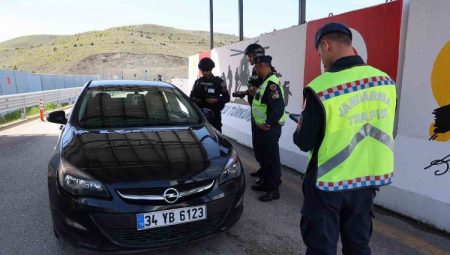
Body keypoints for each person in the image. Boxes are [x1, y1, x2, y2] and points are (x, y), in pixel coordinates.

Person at [293, 22, 397, 255]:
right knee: (359, 245)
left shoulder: (320, 87)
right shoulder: (385, 81)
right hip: (367, 181)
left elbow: (304, 141)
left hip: (328, 182)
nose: (321, 58)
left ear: (326, 45)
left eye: (320, 52)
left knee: (321, 247)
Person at [250, 55, 286, 202]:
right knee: (265, 157)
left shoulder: (272, 84)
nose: (256, 70)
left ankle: (273, 190)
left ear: (263, 66)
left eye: (257, 68)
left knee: (271, 159)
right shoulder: (265, 82)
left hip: (269, 128)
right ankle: (266, 183)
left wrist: (268, 124)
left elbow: (278, 108)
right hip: (263, 127)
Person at [233, 43, 266, 181]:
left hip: (264, 115)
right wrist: (244, 93)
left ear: (259, 55)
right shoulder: (254, 70)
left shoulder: (266, 70)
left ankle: (269, 179)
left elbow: (268, 92)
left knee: (265, 148)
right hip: (255, 112)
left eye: (251, 56)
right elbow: (255, 88)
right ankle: (263, 169)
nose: (249, 59)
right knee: (257, 145)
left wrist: (256, 92)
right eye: (248, 56)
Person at [190, 57, 230, 132]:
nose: (205, 72)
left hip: (215, 117)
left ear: (211, 69)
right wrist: (200, 100)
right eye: (203, 70)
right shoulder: (198, 82)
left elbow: (227, 97)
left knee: (216, 138)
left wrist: (216, 100)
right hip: (200, 117)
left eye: (207, 70)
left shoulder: (219, 82)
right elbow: (191, 98)